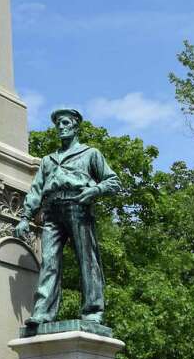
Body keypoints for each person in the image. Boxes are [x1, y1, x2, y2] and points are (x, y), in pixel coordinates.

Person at [14, 108, 121, 329]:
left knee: (87, 260)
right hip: (52, 211)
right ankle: (43, 312)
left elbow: (113, 181)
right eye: (58, 125)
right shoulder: (48, 160)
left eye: (65, 123)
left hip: (78, 206)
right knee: (49, 262)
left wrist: (95, 190)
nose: (61, 128)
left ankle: (93, 311)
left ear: (75, 126)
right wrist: (25, 216)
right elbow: (36, 190)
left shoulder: (90, 154)